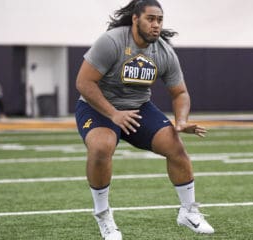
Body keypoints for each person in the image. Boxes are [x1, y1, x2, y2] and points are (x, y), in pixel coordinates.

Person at [75, 0, 214, 239]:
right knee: (101, 147)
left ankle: (188, 211)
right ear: (135, 19)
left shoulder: (164, 52)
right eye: (150, 19)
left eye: (159, 20)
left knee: (175, 146)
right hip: (97, 108)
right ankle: (103, 216)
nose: (156, 25)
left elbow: (180, 93)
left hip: (137, 108)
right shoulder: (112, 42)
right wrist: (113, 114)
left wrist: (180, 121)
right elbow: (84, 83)